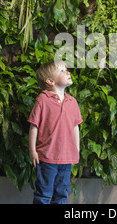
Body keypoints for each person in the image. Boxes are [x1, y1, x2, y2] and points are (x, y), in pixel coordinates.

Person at [28, 60, 82, 204]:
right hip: (46, 157)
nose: (67, 72)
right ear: (50, 81)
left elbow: (75, 127)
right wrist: (33, 150)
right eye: (62, 71)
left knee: (62, 193)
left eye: (66, 69)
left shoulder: (72, 102)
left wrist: (76, 148)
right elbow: (34, 126)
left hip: (67, 158)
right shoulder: (42, 100)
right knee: (43, 193)